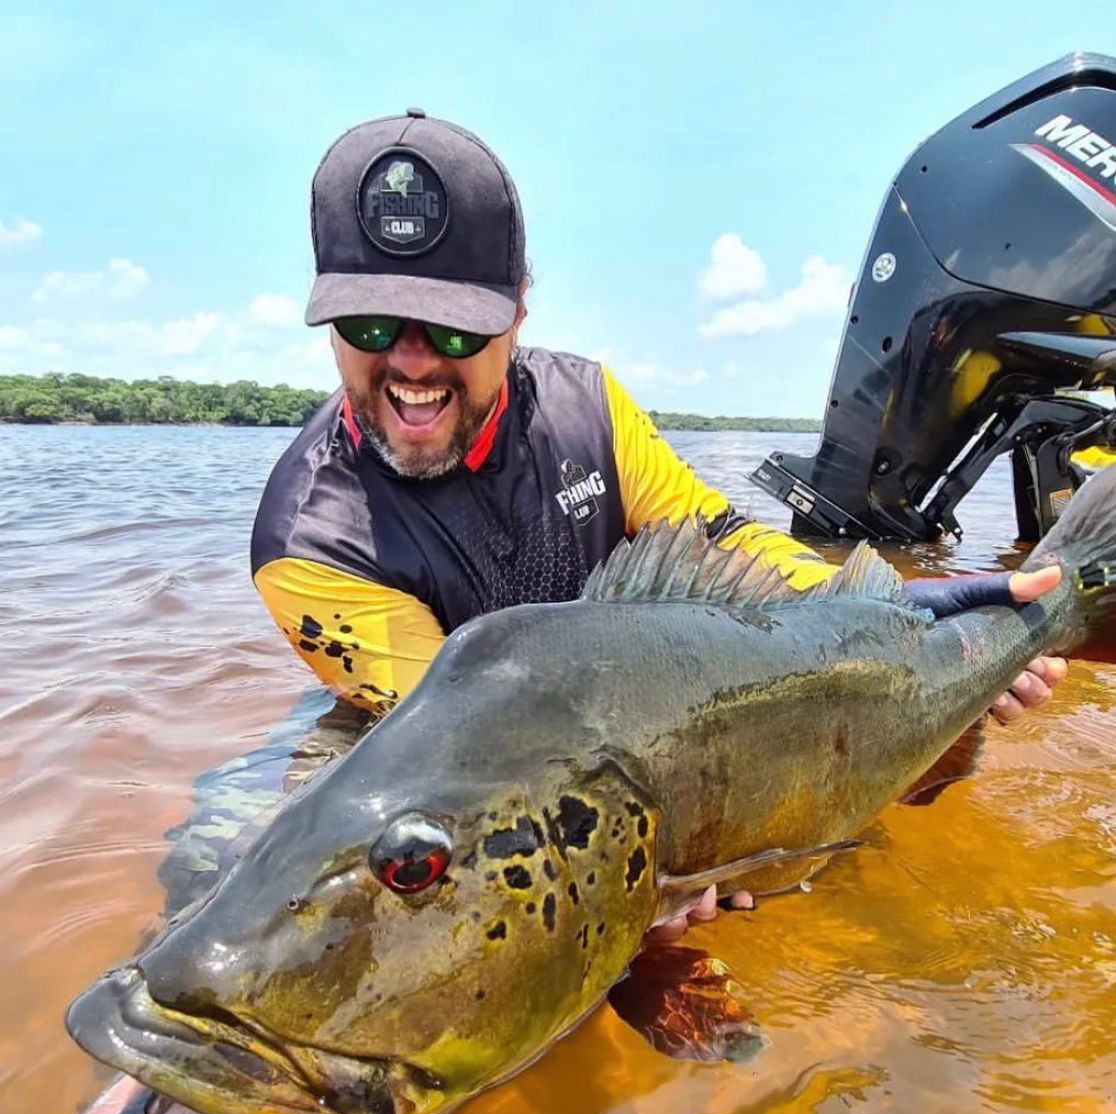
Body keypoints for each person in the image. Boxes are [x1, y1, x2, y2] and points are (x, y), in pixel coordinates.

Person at [250, 110, 1066, 935]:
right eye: (370, 325)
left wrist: (903, 615)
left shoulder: (590, 409)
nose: (411, 360)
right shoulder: (312, 546)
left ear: (518, 309)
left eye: (455, 326)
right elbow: (461, 767)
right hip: (454, 737)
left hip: (646, 701)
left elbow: (725, 544)